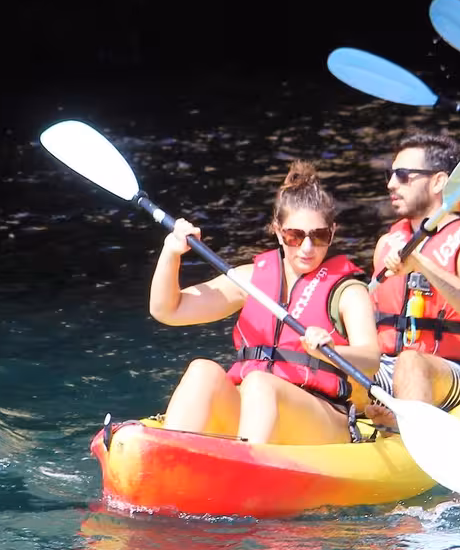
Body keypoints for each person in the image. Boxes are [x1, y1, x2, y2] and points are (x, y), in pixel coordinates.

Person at [149, 161, 376, 445]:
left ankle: (247, 470)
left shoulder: (349, 292)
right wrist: (172, 253)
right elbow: (167, 310)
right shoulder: (249, 280)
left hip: (322, 416)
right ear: (279, 231)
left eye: (319, 236)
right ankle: (172, 458)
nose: (307, 247)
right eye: (295, 236)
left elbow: (371, 360)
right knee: (202, 370)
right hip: (257, 409)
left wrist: (327, 352)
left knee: (260, 383)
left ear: (333, 232)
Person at [361, 134, 460, 412]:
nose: (391, 184)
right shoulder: (387, 243)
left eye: (403, 175)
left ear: (439, 181)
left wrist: (424, 265)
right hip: (385, 367)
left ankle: (407, 432)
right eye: (390, 174)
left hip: (450, 373)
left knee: (411, 361)